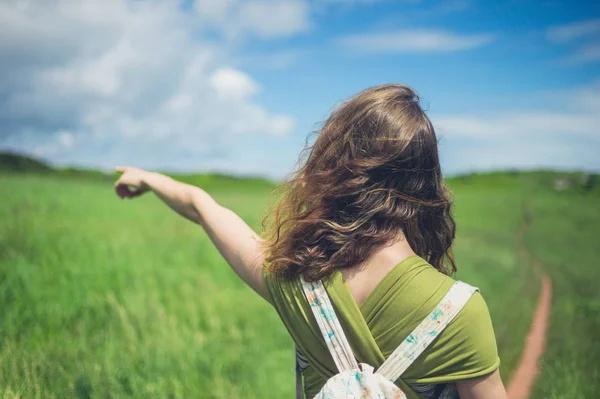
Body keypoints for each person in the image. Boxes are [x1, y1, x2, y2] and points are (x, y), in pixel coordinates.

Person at [114, 84, 508, 399]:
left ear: (334, 167)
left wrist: (149, 178)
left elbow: (203, 209)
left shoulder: (294, 281)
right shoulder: (458, 312)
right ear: (424, 184)